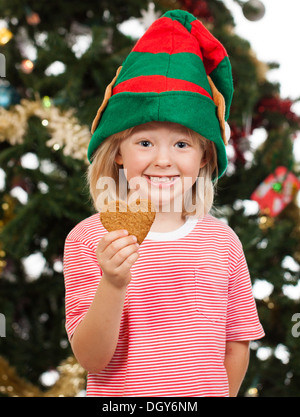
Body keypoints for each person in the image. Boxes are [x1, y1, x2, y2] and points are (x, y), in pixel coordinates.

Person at [63, 9, 264, 397]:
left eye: (182, 144)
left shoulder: (223, 243)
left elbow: (236, 344)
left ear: (205, 157)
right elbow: (90, 358)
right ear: (118, 152)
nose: (163, 160)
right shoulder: (89, 239)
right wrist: (113, 282)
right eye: (144, 142)